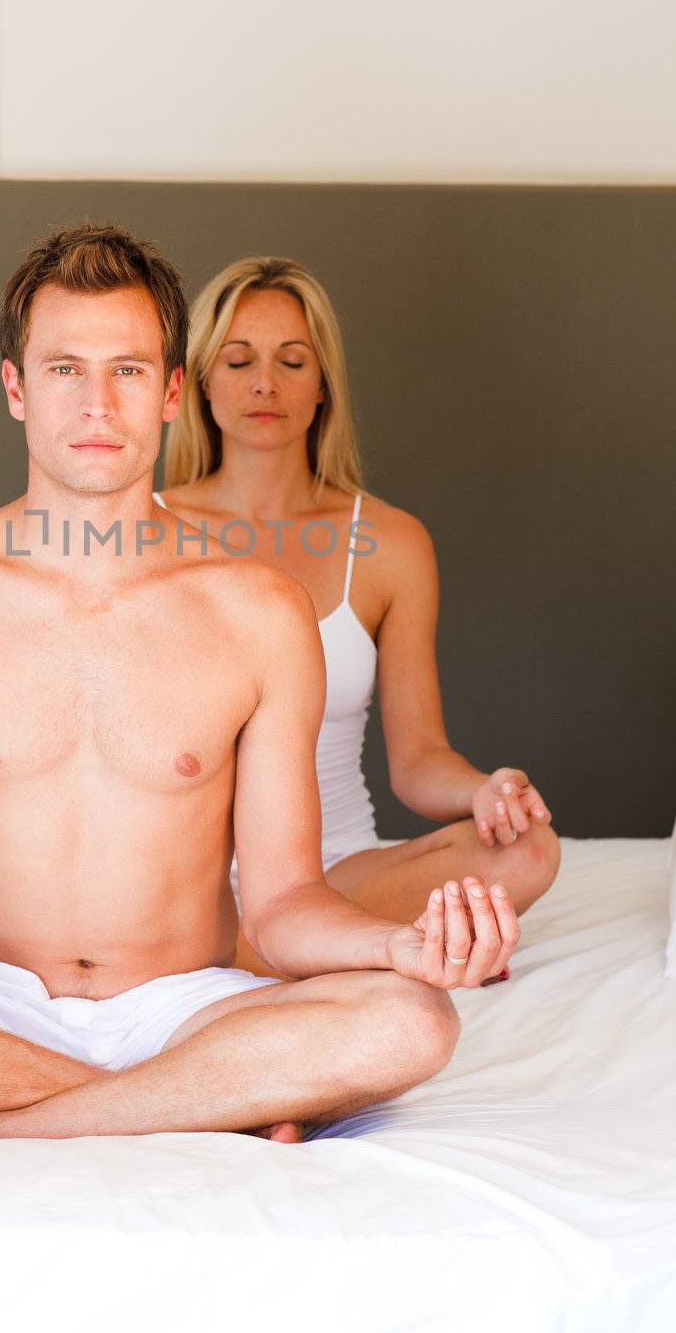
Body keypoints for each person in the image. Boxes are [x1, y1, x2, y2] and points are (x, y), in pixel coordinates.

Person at [0, 224, 520, 1145]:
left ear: (171, 395)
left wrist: (396, 947)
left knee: (412, 1021)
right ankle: (185, 1103)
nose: (97, 403)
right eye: (66, 369)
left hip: (183, 1005)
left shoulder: (259, 612)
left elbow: (279, 906)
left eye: (129, 370)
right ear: (16, 389)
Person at [154, 254, 560, 982]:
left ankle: (254, 952)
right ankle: (318, 946)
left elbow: (416, 762)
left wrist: (482, 791)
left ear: (322, 387)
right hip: (181, 877)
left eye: (292, 360)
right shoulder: (143, 527)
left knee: (529, 850)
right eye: (238, 360)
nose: (264, 384)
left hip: (339, 872)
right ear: (201, 383)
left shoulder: (389, 542)